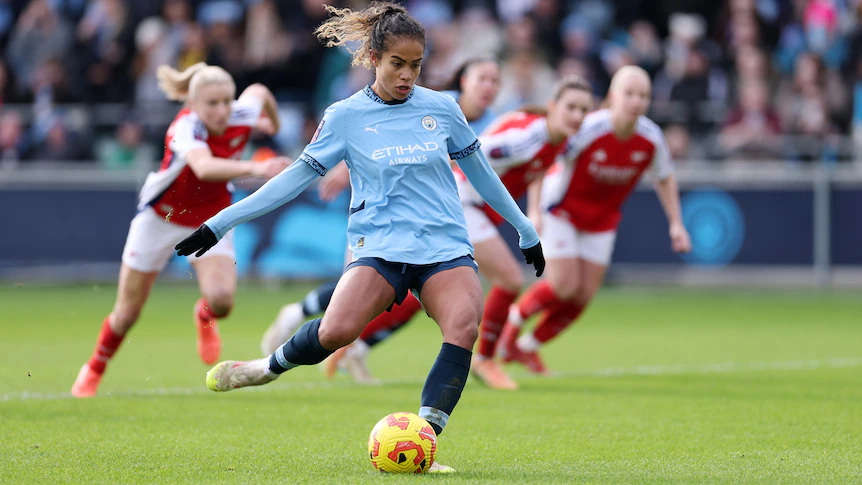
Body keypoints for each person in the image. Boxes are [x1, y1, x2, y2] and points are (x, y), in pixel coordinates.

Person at [174, 2, 543, 473]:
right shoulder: (346, 116)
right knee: (336, 332)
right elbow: (292, 179)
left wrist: (525, 229)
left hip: (445, 247)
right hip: (381, 248)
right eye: (397, 64)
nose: (407, 75)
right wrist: (222, 221)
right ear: (373, 57)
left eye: (416, 65)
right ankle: (263, 370)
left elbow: (483, 174)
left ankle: (424, 443)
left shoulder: (442, 109)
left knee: (463, 328)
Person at [327, 76, 594, 390]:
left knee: (419, 294)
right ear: (553, 107)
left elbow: (533, 169)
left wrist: (533, 211)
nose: (577, 116)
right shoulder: (528, 137)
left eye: (583, 110)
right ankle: (485, 360)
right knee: (509, 278)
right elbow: (475, 154)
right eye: (571, 108)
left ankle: (353, 345)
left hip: (471, 209)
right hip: (460, 203)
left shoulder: (557, 139)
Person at [259, 58, 503, 381]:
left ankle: (358, 349)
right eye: (481, 78)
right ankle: (301, 315)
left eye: (495, 80)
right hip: (387, 213)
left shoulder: (493, 121)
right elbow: (379, 139)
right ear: (463, 80)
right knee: (367, 285)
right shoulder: (437, 105)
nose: (489, 87)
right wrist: (344, 169)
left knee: (410, 296)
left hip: (441, 217)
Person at [71, 63, 289, 398]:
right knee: (127, 312)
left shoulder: (241, 113)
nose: (221, 111)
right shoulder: (184, 127)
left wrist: (269, 123)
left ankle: (203, 316)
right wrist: (257, 166)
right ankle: (94, 368)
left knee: (222, 301)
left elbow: (259, 91)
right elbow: (203, 166)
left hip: (212, 218)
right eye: (212, 104)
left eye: (226, 102)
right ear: (193, 105)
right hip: (161, 218)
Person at [497, 66, 692, 375]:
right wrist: (534, 210)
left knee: (584, 294)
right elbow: (544, 161)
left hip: (602, 220)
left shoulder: (650, 137)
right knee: (564, 285)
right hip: (561, 210)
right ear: (613, 97)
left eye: (643, 95)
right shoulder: (589, 129)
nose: (636, 101)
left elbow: (665, 177)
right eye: (629, 94)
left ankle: (526, 348)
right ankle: (509, 331)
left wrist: (676, 223)